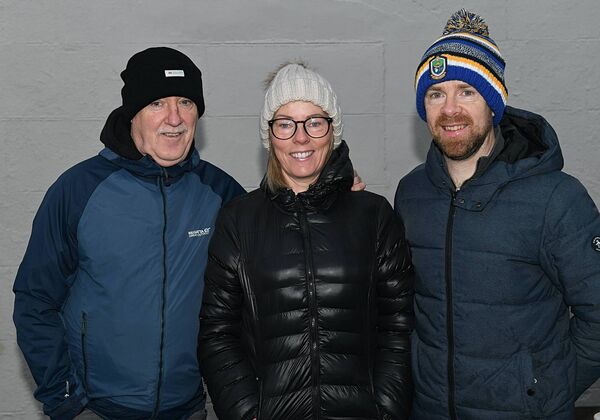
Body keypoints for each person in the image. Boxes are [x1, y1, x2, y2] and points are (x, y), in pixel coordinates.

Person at [12, 47, 246, 419]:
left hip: (188, 409)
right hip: (96, 410)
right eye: (156, 103)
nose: (174, 118)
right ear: (132, 113)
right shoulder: (78, 190)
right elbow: (34, 302)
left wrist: (334, 192)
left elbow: (278, 249)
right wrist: (67, 400)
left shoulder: (221, 193)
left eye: (186, 102)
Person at [394, 9, 600, 420]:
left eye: (467, 92)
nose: (450, 109)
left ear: (493, 104)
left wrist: (543, 389)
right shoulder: (411, 194)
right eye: (436, 94)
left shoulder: (557, 198)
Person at [198, 62, 414, 420]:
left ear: (333, 131)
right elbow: (217, 333)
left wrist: (387, 409)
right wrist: (247, 413)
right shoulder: (238, 220)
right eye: (285, 124)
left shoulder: (374, 216)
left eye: (314, 122)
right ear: (270, 136)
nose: (301, 137)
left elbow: (399, 325)